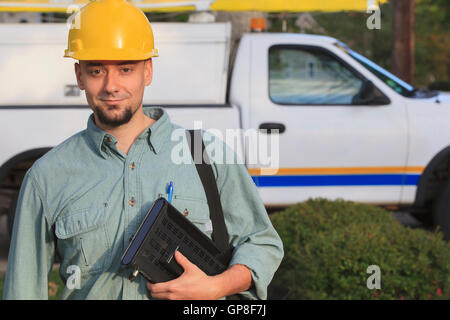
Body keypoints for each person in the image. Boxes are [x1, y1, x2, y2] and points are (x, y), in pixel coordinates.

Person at [3, 0, 283, 300]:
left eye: (126, 69)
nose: (111, 85)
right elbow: (23, 290)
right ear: (79, 76)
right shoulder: (47, 176)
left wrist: (218, 286)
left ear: (147, 71)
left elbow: (261, 241)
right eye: (96, 70)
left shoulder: (207, 154)